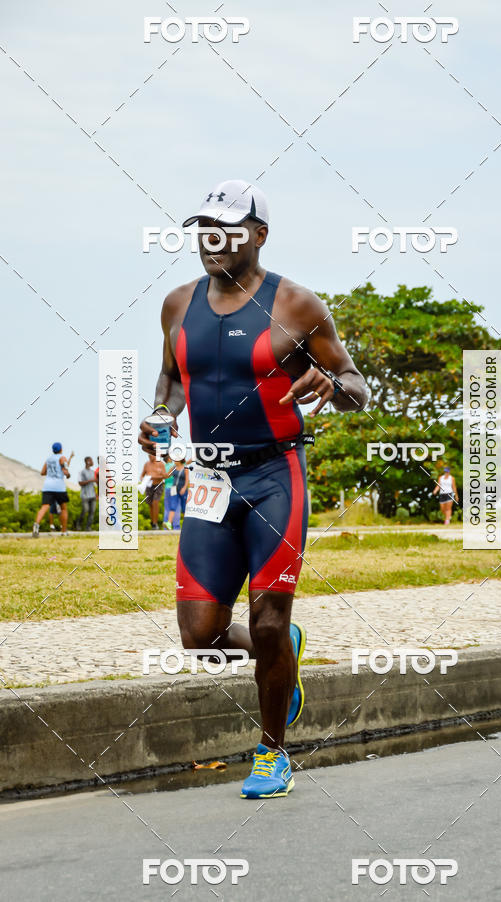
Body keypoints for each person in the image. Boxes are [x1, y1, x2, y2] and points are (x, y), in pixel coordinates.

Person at [139, 179, 368, 799]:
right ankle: (282, 655)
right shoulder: (175, 304)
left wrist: (331, 385)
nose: (212, 240)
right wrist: (161, 420)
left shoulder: (296, 305)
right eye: (203, 228)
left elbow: (354, 384)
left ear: (258, 235)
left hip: (274, 475)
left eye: (228, 228)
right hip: (208, 481)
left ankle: (272, 752)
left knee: (267, 622)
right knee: (200, 635)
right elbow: (172, 379)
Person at [33, 443, 72, 536]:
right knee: (63, 508)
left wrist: (51, 472)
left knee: (44, 507)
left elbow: (42, 472)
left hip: (47, 486)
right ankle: (64, 531)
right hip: (59, 487)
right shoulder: (62, 458)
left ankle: (36, 526)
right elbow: (65, 471)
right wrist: (68, 475)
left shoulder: (48, 459)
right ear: (61, 449)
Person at [140, 452, 167, 529]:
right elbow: (142, 475)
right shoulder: (146, 464)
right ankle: (153, 523)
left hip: (159, 485)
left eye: (151, 455)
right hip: (149, 485)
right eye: (149, 455)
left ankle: (155, 523)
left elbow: (165, 475)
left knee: (155, 502)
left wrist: (157, 476)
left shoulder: (161, 464)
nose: (150, 457)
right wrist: (142, 479)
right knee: (150, 504)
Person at [164, 458, 189, 530]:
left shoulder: (185, 468)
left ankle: (186, 525)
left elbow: (187, 480)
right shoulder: (174, 468)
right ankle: (169, 523)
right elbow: (167, 475)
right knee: (173, 505)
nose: (174, 461)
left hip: (182, 490)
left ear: (180, 460)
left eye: (176, 459)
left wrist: (184, 488)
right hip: (174, 489)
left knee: (184, 507)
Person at [76, 456, 97, 531]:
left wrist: (96, 493)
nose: (92, 462)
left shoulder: (93, 472)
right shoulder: (81, 472)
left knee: (92, 512)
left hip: (93, 495)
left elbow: (95, 484)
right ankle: (78, 524)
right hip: (85, 495)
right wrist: (90, 481)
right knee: (85, 510)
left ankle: (88, 527)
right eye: (91, 461)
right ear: (87, 461)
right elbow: (80, 483)